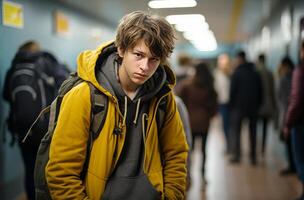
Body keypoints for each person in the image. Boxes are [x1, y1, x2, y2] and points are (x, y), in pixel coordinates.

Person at [45, 11, 188, 200]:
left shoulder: (163, 98)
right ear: (121, 49)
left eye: (153, 59)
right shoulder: (84, 96)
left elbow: (176, 154)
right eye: (138, 55)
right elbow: (61, 172)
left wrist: (172, 196)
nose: (145, 66)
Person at [2, 41, 68, 200]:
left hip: (22, 131)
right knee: (48, 170)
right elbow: (65, 86)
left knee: (29, 170)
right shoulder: (47, 62)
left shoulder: (14, 67)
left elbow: (5, 95)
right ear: (37, 51)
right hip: (46, 129)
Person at [176, 62, 217, 190]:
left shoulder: (187, 85)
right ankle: (203, 176)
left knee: (189, 150)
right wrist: (208, 115)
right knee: (204, 150)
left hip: (190, 122)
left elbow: (178, 101)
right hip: (204, 122)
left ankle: (188, 174)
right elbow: (214, 106)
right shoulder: (210, 87)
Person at [229, 51, 262, 165]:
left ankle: (237, 155)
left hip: (239, 107)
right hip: (253, 107)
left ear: (240, 59)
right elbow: (260, 90)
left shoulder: (236, 73)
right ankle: (253, 157)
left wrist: (231, 105)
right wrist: (258, 104)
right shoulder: (255, 72)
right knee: (253, 132)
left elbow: (232, 91)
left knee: (237, 131)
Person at [284, 40, 304, 200]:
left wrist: (288, 123)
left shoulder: (300, 70)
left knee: (301, 159)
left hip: (300, 122)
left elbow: (296, 100)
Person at [277, 56, 296, 175]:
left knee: (289, 143)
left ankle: (292, 166)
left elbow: (283, 100)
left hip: (289, 115)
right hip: (295, 115)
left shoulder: (284, 79)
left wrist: (284, 122)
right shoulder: (295, 76)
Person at [255, 54, 276, 156]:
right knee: (265, 127)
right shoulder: (269, 73)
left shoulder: (256, 72)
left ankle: (255, 148)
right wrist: (274, 106)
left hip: (257, 105)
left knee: (254, 126)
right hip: (267, 104)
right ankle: (263, 148)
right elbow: (272, 91)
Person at [214, 53, 232, 153]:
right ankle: (228, 146)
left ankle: (231, 146)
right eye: (221, 62)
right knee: (225, 126)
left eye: (225, 62)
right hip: (222, 103)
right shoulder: (217, 74)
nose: (223, 64)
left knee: (230, 126)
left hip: (231, 104)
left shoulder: (231, 74)